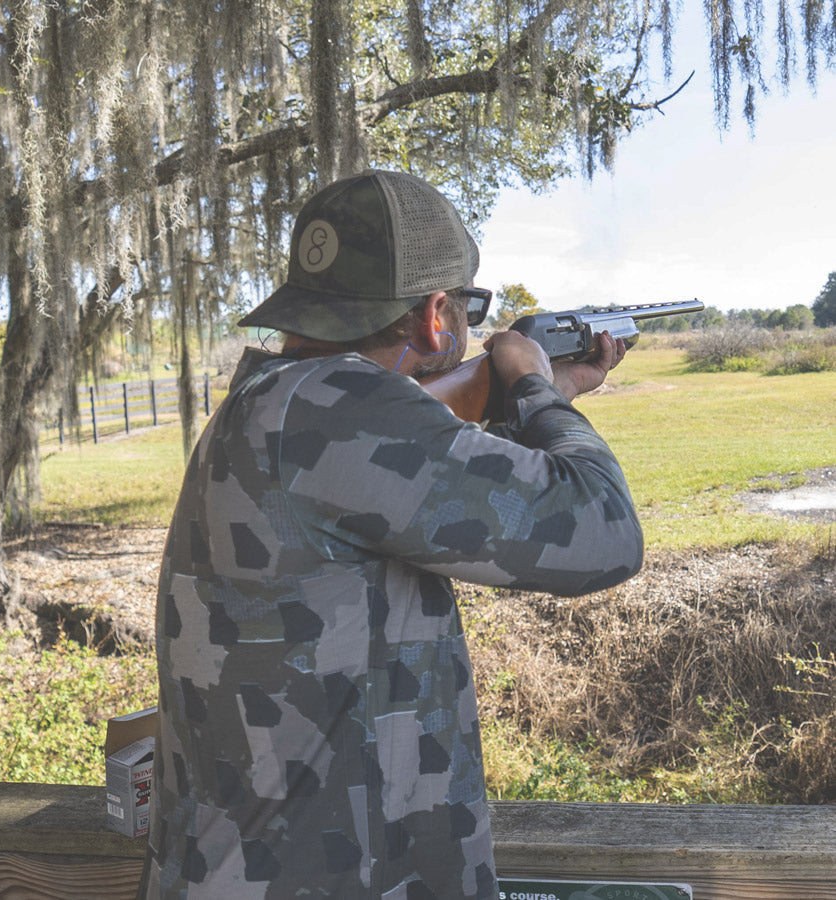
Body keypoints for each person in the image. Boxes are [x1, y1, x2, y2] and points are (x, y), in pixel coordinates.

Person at [139, 170, 643, 899]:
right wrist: (532, 385)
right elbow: (605, 529)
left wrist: (546, 394)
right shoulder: (341, 408)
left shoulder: (273, 401)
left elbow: (421, 481)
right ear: (437, 314)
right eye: (467, 307)